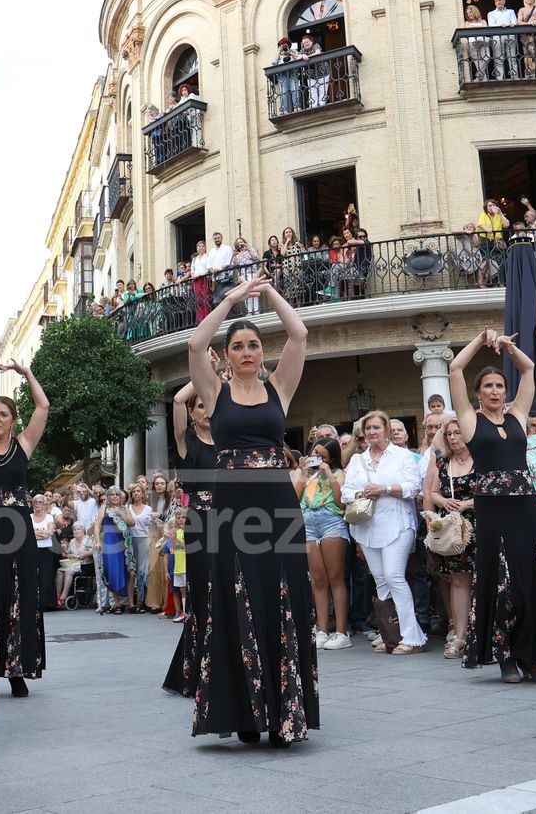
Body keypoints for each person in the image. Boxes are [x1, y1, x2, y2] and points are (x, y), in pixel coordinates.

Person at [185, 271, 316, 746]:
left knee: (279, 594)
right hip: (231, 508)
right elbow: (198, 347)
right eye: (238, 346)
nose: (245, 352)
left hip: (278, 506)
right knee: (235, 596)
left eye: (253, 345)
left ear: (262, 353)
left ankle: (283, 713)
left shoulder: (279, 388)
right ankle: (245, 711)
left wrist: (270, 292)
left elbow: (299, 334)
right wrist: (234, 298)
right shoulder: (214, 394)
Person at [448, 329, 536, 682]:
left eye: (499, 386)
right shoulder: (469, 420)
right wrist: (479, 340)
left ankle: (530, 657)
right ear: (479, 394)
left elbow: (529, 369)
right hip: (493, 511)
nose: (495, 391)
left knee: (532, 580)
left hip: (526, 508)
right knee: (501, 582)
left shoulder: (518, 416)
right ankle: (505, 657)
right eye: (488, 386)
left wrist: (507, 346)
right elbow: (455, 370)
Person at [0, 362, 50, 699]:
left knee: (19, 596)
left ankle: (16, 670)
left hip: (19, 530)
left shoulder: (24, 445)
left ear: (13, 419)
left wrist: (28, 374)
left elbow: (43, 406)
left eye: (4, 414)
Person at [344, 409, 425, 655]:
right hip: (367, 527)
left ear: (387, 430)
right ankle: (390, 634)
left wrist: (386, 488)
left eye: (376, 427)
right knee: (380, 580)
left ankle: (413, 637)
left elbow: (414, 487)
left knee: (394, 576)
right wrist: (358, 494)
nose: (371, 432)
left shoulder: (402, 456)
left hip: (398, 524)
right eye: (368, 428)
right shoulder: (358, 460)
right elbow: (345, 492)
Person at [163, 369, 216, 697]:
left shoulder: (226, 439)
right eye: (200, 407)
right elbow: (179, 399)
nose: (206, 411)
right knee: (201, 594)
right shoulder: (187, 442)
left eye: (209, 406)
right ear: (193, 414)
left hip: (231, 519)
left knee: (224, 591)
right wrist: (204, 373)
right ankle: (194, 671)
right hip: (198, 520)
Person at [422, 414, 476, 659]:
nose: (453, 438)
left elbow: (495, 488)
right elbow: (433, 492)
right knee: (457, 580)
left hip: (479, 523)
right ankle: (460, 636)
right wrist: (444, 501)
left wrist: (467, 503)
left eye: (458, 432)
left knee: (484, 579)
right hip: (454, 528)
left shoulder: (483, 458)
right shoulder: (444, 462)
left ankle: (484, 633)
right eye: (449, 434)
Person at [298, 436, 350, 650]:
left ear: (331, 458)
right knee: (318, 580)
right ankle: (322, 629)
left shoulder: (338, 473)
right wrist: (302, 473)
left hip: (331, 522)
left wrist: (328, 474)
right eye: (315, 453)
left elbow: (341, 502)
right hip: (308, 523)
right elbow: (295, 499)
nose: (317, 458)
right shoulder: (307, 475)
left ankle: (341, 632)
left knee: (335, 577)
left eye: (322, 456)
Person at [97, 487, 134, 614]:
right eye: (111, 494)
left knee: (130, 572)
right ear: (108, 496)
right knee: (112, 572)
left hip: (125, 542)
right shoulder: (104, 509)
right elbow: (97, 526)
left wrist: (121, 513)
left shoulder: (125, 508)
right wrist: (97, 541)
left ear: (121, 497)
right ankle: (117, 604)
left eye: (117, 495)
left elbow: (132, 523)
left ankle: (131, 604)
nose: (114, 496)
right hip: (110, 542)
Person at [487, 0, 519, 78]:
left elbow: (515, 21)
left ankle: (514, 77)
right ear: (494, 3)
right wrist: (500, 25)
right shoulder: (491, 13)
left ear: (504, 1)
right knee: (498, 59)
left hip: (510, 35)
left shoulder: (510, 11)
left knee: (512, 57)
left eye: (500, 0)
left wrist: (512, 24)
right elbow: (491, 25)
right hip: (497, 37)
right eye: (496, 1)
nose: (498, 2)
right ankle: (500, 78)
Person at [462, 4, 491, 82]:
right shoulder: (467, 22)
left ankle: (479, 75)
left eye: (470, 12)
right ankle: (484, 79)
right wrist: (480, 28)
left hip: (483, 41)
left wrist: (474, 28)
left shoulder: (483, 21)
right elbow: (467, 28)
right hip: (472, 42)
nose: (469, 14)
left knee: (487, 57)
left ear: (475, 12)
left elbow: (486, 28)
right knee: (477, 61)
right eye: (467, 13)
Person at [272, 37, 298, 114]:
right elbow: (273, 62)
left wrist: (290, 52)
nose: (284, 47)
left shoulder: (293, 51)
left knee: (294, 89)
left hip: (293, 73)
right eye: (282, 46)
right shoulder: (279, 55)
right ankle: (284, 109)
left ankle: (297, 107)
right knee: (283, 92)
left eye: (285, 45)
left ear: (289, 45)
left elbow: (299, 58)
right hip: (282, 75)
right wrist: (279, 52)